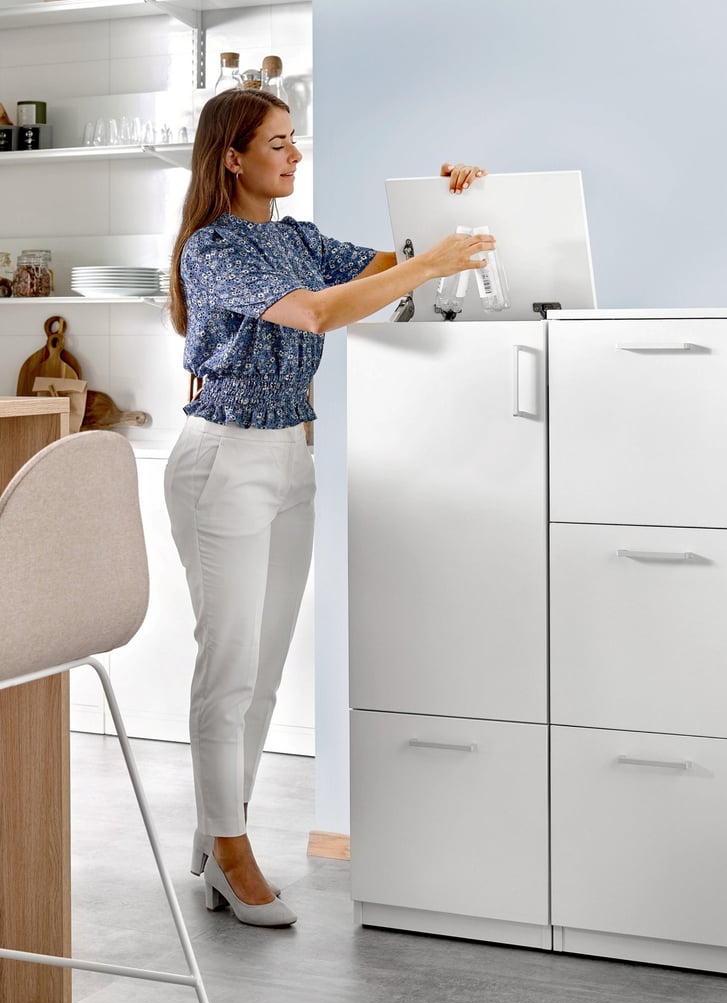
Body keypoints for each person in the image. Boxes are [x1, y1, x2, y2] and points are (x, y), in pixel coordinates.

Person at [164, 87, 493, 928]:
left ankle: (215, 832)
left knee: (266, 674)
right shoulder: (214, 249)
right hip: (223, 461)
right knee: (228, 667)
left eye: (294, 142)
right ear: (232, 157)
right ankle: (231, 854)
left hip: (291, 459)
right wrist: (426, 262)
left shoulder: (299, 239)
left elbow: (388, 272)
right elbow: (317, 312)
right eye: (277, 144)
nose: (295, 156)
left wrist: (457, 200)